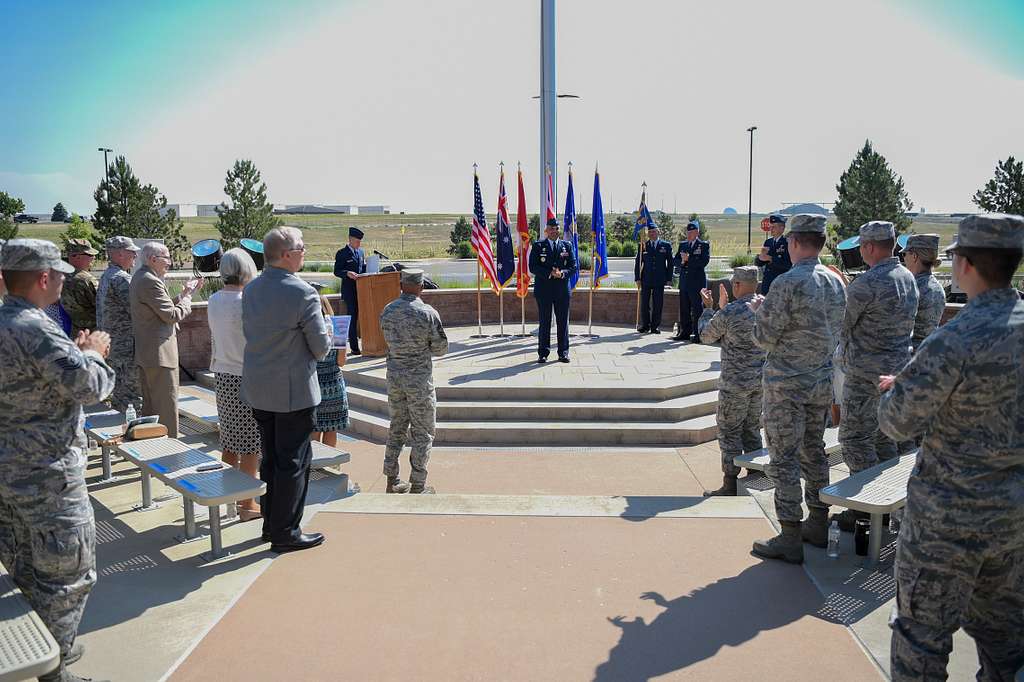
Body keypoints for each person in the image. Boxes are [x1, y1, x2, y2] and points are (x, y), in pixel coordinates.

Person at [877, 213, 1024, 681]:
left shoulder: (954, 340)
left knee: (922, 644)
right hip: (1015, 519)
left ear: (965, 264)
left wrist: (900, 387)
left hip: (947, 523)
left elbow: (897, 423)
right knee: (1008, 645)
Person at [0, 239, 115, 682]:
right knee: (69, 573)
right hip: (48, 479)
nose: (66, 280)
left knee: (24, 563)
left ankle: (51, 645)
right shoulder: (35, 327)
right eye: (60, 274)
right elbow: (89, 386)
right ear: (44, 278)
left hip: (9, 474)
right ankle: (57, 668)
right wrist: (93, 351)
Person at [748, 214, 846, 563]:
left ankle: (790, 533)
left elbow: (763, 338)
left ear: (794, 243)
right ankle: (818, 522)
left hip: (785, 387)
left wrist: (761, 311)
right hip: (819, 383)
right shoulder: (836, 282)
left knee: (784, 457)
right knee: (814, 452)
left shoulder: (788, 283)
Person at [242, 227, 331, 553]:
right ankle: (286, 532)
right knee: (293, 462)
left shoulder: (251, 290)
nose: (305, 252)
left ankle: (271, 524)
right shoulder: (302, 293)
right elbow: (321, 348)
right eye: (301, 248)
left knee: (272, 459)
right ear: (286, 254)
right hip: (292, 392)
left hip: (259, 389)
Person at [833, 221, 919, 530]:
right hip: (896, 373)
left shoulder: (866, 284)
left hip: (864, 374)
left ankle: (867, 510)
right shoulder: (908, 278)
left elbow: (841, 326)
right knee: (885, 441)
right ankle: (885, 510)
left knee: (855, 439)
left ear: (869, 247)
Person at [697, 266, 765, 496]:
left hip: (735, 384)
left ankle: (730, 483)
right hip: (760, 382)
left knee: (729, 430)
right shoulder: (767, 307)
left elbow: (706, 335)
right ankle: (756, 477)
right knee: (752, 429)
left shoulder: (732, 311)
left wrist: (708, 309)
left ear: (736, 285)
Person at [379, 268, 448, 494]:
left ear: (401, 285)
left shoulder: (387, 311)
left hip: (395, 379)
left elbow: (387, 340)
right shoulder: (427, 313)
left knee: (397, 426)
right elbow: (440, 348)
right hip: (419, 381)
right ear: (421, 287)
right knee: (423, 431)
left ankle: (392, 479)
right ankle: (418, 483)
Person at [207, 248, 262, 521]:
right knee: (251, 445)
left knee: (229, 442)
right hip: (247, 375)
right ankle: (247, 504)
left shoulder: (214, 299)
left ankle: (226, 501)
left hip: (222, 374)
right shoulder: (247, 301)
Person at [129, 242, 200, 438]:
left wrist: (184, 294)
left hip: (149, 354)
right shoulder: (149, 280)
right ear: (153, 259)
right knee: (166, 410)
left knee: (152, 410)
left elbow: (161, 308)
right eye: (166, 258)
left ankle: (152, 454)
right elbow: (171, 315)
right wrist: (187, 302)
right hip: (159, 355)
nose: (170, 262)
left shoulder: (142, 277)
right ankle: (169, 456)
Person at [97, 236, 142, 412]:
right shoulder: (121, 278)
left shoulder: (106, 276)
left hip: (111, 344)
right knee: (132, 395)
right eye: (132, 253)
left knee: (119, 392)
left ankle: (119, 422)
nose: (135, 257)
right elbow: (138, 311)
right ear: (121, 254)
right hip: (125, 345)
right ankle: (135, 430)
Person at [529, 218, 576, 363]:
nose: (554, 231)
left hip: (562, 290)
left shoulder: (566, 246)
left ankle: (563, 353)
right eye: (551, 229)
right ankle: (543, 353)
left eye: (556, 228)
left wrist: (562, 274)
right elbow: (533, 267)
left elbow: (574, 266)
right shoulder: (538, 246)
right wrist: (549, 273)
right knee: (544, 322)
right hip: (544, 290)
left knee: (563, 322)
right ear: (546, 231)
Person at [310, 284, 350, 448]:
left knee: (314, 429)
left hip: (314, 384)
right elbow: (341, 361)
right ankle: (332, 467)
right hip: (334, 384)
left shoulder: (308, 329)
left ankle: (313, 468)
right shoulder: (339, 327)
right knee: (331, 429)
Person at [903, 233, 946, 351]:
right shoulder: (938, 287)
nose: (904, 258)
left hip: (909, 354)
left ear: (914, 256)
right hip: (929, 351)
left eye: (905, 254)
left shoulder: (911, 288)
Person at [672, 220, 710, 342]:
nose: (688, 234)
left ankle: (698, 334)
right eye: (688, 232)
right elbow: (675, 261)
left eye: (691, 232)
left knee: (697, 309)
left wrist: (689, 259)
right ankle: (685, 332)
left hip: (696, 283)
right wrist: (682, 262)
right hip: (684, 282)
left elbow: (703, 262)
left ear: (697, 232)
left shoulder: (703, 245)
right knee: (684, 308)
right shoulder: (683, 245)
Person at [634, 225, 674, 333]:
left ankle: (655, 326)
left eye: (653, 232)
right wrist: (637, 278)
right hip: (646, 279)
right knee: (644, 304)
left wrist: (669, 278)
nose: (651, 234)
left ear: (658, 232)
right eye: (650, 232)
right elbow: (638, 262)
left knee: (658, 304)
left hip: (659, 279)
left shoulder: (666, 245)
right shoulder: (643, 246)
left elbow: (670, 264)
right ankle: (645, 325)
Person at [333, 227, 366, 355]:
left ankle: (364, 344)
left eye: (360, 242)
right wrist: (347, 273)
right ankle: (354, 347)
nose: (359, 244)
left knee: (359, 318)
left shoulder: (360, 252)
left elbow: (362, 268)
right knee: (352, 318)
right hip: (349, 291)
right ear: (351, 239)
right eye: (357, 241)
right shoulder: (342, 253)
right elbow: (337, 271)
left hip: (362, 290)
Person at [60, 239, 99, 338]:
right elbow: (101, 305)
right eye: (90, 255)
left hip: (73, 332)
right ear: (76, 256)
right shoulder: (86, 279)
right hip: (91, 334)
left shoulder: (60, 276)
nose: (93, 258)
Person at [757, 214, 791, 293]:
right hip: (767, 281)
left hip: (780, 282)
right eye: (770, 227)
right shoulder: (768, 242)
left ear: (782, 228)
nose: (771, 229)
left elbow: (788, 264)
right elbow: (761, 263)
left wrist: (771, 259)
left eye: (774, 227)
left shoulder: (787, 242)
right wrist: (760, 258)